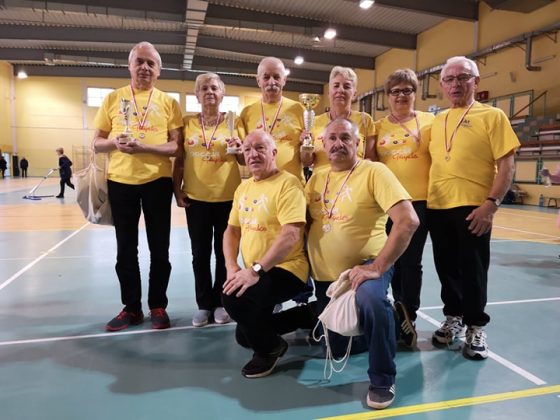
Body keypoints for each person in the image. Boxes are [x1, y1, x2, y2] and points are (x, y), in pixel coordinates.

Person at [306, 118, 419, 409]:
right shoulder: (316, 178)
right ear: (323, 144)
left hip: (365, 267)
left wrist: (378, 266)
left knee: (371, 301)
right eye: (332, 138)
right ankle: (393, 323)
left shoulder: (374, 172)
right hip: (326, 278)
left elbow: (408, 221)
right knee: (338, 346)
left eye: (346, 137)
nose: (338, 143)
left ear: (357, 143)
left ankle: (382, 379)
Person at [427, 56, 519, 360]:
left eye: (462, 77)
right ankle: (453, 317)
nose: (455, 84)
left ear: (476, 82)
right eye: (449, 79)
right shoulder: (437, 120)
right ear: (442, 85)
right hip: (438, 205)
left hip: (474, 207)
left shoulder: (492, 116)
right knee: (446, 268)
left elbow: (507, 165)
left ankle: (476, 326)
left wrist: (491, 204)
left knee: (474, 269)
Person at [92, 41, 183, 332]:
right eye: (139, 62)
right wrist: (114, 143)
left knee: (160, 249)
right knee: (125, 251)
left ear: (159, 70)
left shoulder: (169, 102)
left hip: (158, 182)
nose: (144, 67)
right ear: (129, 66)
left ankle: (158, 305)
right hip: (120, 182)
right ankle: (131, 308)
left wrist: (145, 148)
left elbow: (176, 147)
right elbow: (96, 143)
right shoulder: (113, 98)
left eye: (150, 63)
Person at [222, 130, 315, 379]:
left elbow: (291, 234)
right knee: (244, 336)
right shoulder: (243, 188)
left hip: (288, 268)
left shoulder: (288, 184)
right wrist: (232, 266)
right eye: (248, 149)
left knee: (234, 299)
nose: (253, 154)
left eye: (260, 148)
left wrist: (255, 271)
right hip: (258, 270)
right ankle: (307, 315)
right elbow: (232, 231)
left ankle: (271, 349)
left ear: (274, 153)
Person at [173, 72, 243, 328]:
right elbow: (180, 159)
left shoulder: (234, 121)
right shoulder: (187, 123)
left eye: (214, 88)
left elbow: (244, 159)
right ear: (197, 95)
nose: (209, 92)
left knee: (226, 254)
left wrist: (241, 147)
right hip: (197, 199)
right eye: (204, 88)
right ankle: (204, 304)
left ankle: (222, 301)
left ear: (222, 94)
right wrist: (177, 189)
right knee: (199, 254)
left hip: (228, 199)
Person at [374, 68, 435, 348]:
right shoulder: (378, 127)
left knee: (410, 262)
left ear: (415, 93)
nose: (401, 96)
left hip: (418, 203)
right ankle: (392, 310)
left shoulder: (430, 121)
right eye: (395, 91)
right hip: (385, 205)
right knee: (388, 259)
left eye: (407, 90)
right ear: (387, 96)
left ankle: (408, 313)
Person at [238, 57, 306, 183]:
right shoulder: (247, 113)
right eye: (266, 77)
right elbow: (242, 158)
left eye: (276, 77)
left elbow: (308, 157)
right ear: (258, 81)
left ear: (284, 80)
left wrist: (306, 144)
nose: (272, 82)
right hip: (260, 186)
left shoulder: (299, 109)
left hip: (292, 186)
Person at [303, 66, 376, 172]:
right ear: (329, 93)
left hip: (353, 180)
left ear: (354, 94)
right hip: (322, 180)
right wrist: (306, 146)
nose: (341, 90)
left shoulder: (365, 120)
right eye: (336, 86)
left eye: (347, 86)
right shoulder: (313, 122)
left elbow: (370, 158)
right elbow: (307, 162)